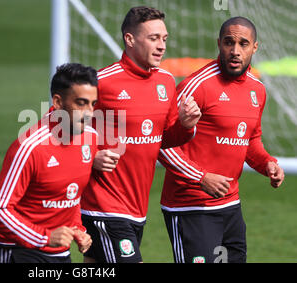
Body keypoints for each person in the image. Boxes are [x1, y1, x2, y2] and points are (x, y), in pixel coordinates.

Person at [79, 6, 202, 263]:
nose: (161, 46)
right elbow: (59, 131)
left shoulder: (166, 82)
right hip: (103, 205)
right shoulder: (102, 82)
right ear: (130, 39)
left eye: (164, 39)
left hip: (136, 208)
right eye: (153, 38)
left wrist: (186, 126)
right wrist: (92, 157)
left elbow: (165, 139)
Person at [158, 17, 285, 263]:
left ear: (254, 47)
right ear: (219, 44)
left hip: (230, 207)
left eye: (243, 44)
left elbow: (250, 140)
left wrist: (268, 163)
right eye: (229, 42)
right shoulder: (196, 85)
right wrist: (200, 177)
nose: (235, 51)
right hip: (190, 206)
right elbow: (160, 143)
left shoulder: (257, 90)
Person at [0, 63, 97, 263]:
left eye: (92, 104)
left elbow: (69, 195)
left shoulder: (90, 139)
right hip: (17, 251)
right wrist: (44, 237)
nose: (89, 112)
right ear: (58, 102)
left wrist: (78, 229)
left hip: (60, 252)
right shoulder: (30, 147)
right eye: (81, 103)